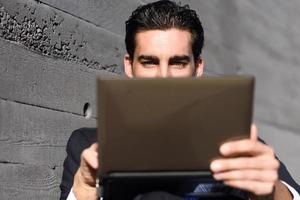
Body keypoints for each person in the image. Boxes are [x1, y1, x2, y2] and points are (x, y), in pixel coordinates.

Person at [60, 1, 300, 199]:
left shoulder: (237, 148)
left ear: (197, 69)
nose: (164, 77)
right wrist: (82, 188)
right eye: (149, 62)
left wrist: (273, 192)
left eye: (177, 63)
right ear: (129, 67)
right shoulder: (87, 147)